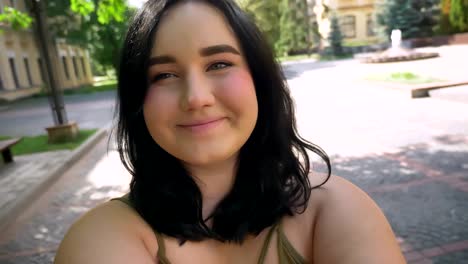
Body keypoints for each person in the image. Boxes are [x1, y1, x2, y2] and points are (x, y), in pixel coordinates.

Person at [54, 0, 406, 263]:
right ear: (138, 101)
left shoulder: (337, 212)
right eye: (163, 74)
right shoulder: (99, 239)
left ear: (259, 81)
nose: (196, 98)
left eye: (219, 64)